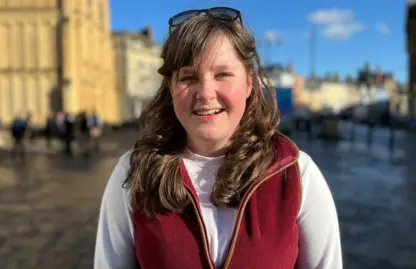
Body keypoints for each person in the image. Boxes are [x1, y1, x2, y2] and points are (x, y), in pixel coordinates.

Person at [95, 6, 342, 269]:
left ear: (249, 83)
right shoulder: (133, 176)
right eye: (188, 77)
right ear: (170, 88)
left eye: (222, 74)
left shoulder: (295, 173)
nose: (206, 93)